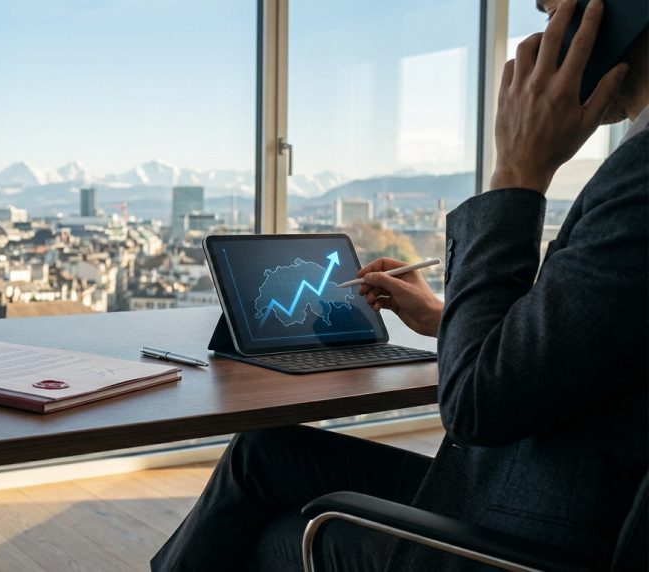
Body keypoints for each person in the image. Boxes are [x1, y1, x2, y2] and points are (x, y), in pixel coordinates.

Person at [151, 0, 648, 569]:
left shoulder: (640, 180)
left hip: (528, 534)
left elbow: (477, 408)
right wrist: (445, 319)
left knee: (264, 537)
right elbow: (593, 340)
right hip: (538, 491)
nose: (541, 6)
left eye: (556, 0)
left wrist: (516, 172)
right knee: (264, 450)